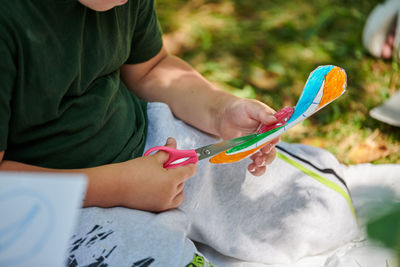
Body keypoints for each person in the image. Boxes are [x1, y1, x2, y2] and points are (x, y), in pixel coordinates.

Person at [0, 0, 358, 265]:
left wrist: (220, 111)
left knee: (323, 208)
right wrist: (121, 187)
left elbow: (151, 69)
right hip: (55, 203)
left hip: (153, 148)